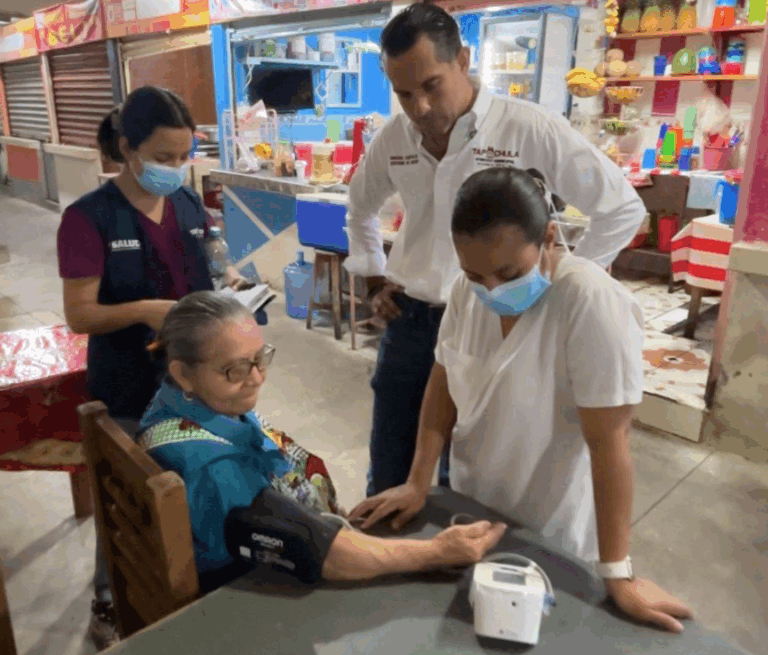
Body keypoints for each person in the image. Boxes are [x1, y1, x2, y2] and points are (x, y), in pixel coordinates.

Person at [351, 167, 693, 634]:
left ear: (550, 238)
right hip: (476, 515)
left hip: (555, 533)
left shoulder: (588, 303)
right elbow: (443, 383)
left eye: (509, 273)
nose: (492, 290)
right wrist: (418, 481)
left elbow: (610, 444)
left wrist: (619, 573)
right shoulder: (465, 294)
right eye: (475, 274)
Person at [343, 3, 646, 498]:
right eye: (403, 94)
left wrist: (559, 290)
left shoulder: (527, 127)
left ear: (463, 60)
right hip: (412, 322)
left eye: (431, 86)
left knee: (476, 472)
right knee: (392, 468)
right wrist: (374, 276)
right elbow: (359, 210)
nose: (419, 108)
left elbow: (621, 208)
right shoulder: (394, 139)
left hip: (499, 322)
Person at [136, 291, 507, 592]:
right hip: (243, 584)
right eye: (234, 369)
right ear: (182, 372)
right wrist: (435, 552)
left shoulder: (179, 404)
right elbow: (323, 552)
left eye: (259, 359)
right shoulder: (214, 468)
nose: (256, 378)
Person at [56, 87, 249, 649]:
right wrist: (146, 311)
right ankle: (109, 602)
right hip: (128, 388)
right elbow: (79, 314)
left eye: (183, 156)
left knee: (194, 483)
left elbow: (210, 254)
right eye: (163, 158)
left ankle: (195, 578)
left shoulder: (186, 203)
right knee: (129, 498)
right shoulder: (88, 219)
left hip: (196, 385)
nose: (175, 168)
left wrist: (230, 274)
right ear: (126, 147)